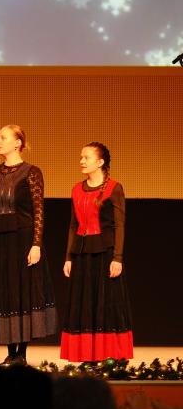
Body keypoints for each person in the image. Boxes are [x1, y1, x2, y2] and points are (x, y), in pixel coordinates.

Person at [0, 125, 56, 364]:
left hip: (22, 239)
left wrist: (36, 244)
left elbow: (38, 210)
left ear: (17, 143)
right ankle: (11, 352)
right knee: (5, 292)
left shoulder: (31, 172)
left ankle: (22, 353)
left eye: (3, 137)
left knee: (23, 292)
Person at [60, 142, 132, 362]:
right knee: (84, 302)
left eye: (86, 157)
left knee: (105, 303)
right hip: (82, 253)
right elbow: (73, 225)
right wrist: (69, 257)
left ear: (100, 162)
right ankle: (86, 355)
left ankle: (107, 355)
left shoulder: (114, 188)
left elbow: (120, 225)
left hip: (104, 253)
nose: (81, 161)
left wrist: (117, 258)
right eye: (81, 157)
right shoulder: (76, 189)